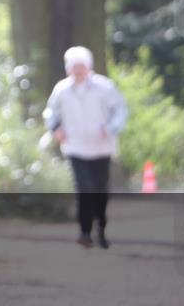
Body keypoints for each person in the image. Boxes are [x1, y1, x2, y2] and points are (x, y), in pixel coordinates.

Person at [44, 46, 128, 249]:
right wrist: (56, 128)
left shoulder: (105, 87)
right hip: (75, 147)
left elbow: (121, 110)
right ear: (68, 69)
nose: (78, 70)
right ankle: (84, 231)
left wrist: (111, 128)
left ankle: (101, 227)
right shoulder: (61, 89)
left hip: (101, 147)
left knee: (99, 190)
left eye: (81, 66)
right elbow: (50, 112)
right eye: (74, 67)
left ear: (89, 67)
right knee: (84, 188)